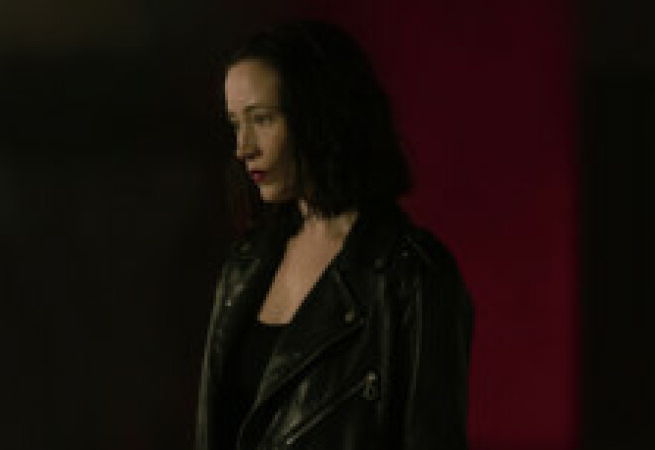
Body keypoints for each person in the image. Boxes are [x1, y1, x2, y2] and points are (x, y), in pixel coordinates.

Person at [195, 20, 473, 450]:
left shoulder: (409, 276)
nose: (243, 147)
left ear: (320, 118)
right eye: (235, 124)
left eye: (262, 119)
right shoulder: (242, 271)